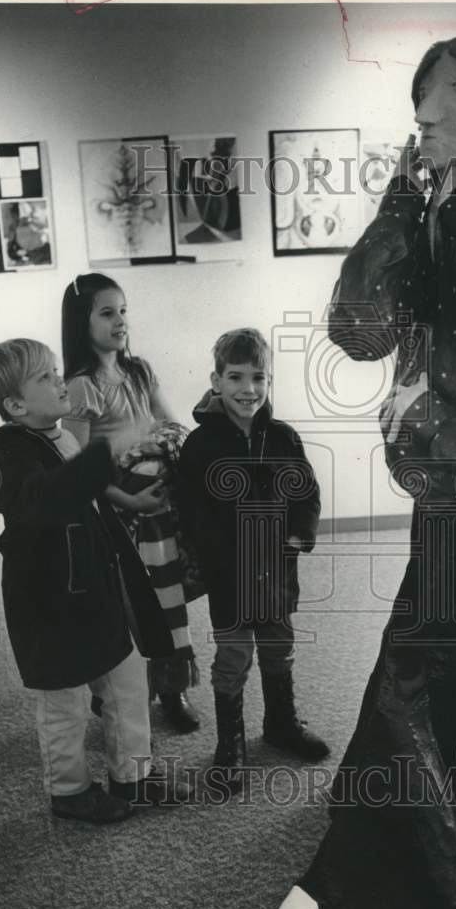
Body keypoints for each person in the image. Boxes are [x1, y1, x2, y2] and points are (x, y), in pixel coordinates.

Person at [277, 36, 456, 909]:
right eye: (424, 100)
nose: (427, 117)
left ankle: (382, 871)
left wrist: (431, 404)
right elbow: (367, 329)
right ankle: (438, 803)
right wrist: (425, 379)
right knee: (433, 658)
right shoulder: (450, 207)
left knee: (405, 669)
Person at [0, 338, 189, 824]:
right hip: (47, 601)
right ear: (14, 405)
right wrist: (95, 457)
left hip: (93, 588)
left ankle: (133, 775)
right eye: (46, 377)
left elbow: (92, 503)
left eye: (55, 370)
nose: (59, 380)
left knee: (127, 678)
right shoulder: (6, 449)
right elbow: (37, 498)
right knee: (64, 700)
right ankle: (69, 790)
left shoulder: (60, 435)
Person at [177, 328, 330, 797]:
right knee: (234, 656)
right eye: (236, 377)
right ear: (216, 381)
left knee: (279, 646)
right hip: (230, 576)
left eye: (258, 377)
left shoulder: (283, 437)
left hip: (278, 571)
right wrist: (221, 558)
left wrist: (299, 536)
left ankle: (280, 724)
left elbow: (306, 493)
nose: (248, 389)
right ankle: (231, 745)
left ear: (269, 381)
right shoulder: (201, 445)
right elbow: (192, 512)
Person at [61, 273, 200, 735]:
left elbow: (171, 424)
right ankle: (123, 696)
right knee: (137, 608)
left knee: (169, 600)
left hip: (160, 510)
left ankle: (172, 688)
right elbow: (81, 470)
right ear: (82, 322)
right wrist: (131, 499)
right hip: (122, 514)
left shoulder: (139, 371)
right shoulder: (82, 386)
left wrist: (162, 461)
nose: (120, 321)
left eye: (123, 310)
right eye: (107, 312)